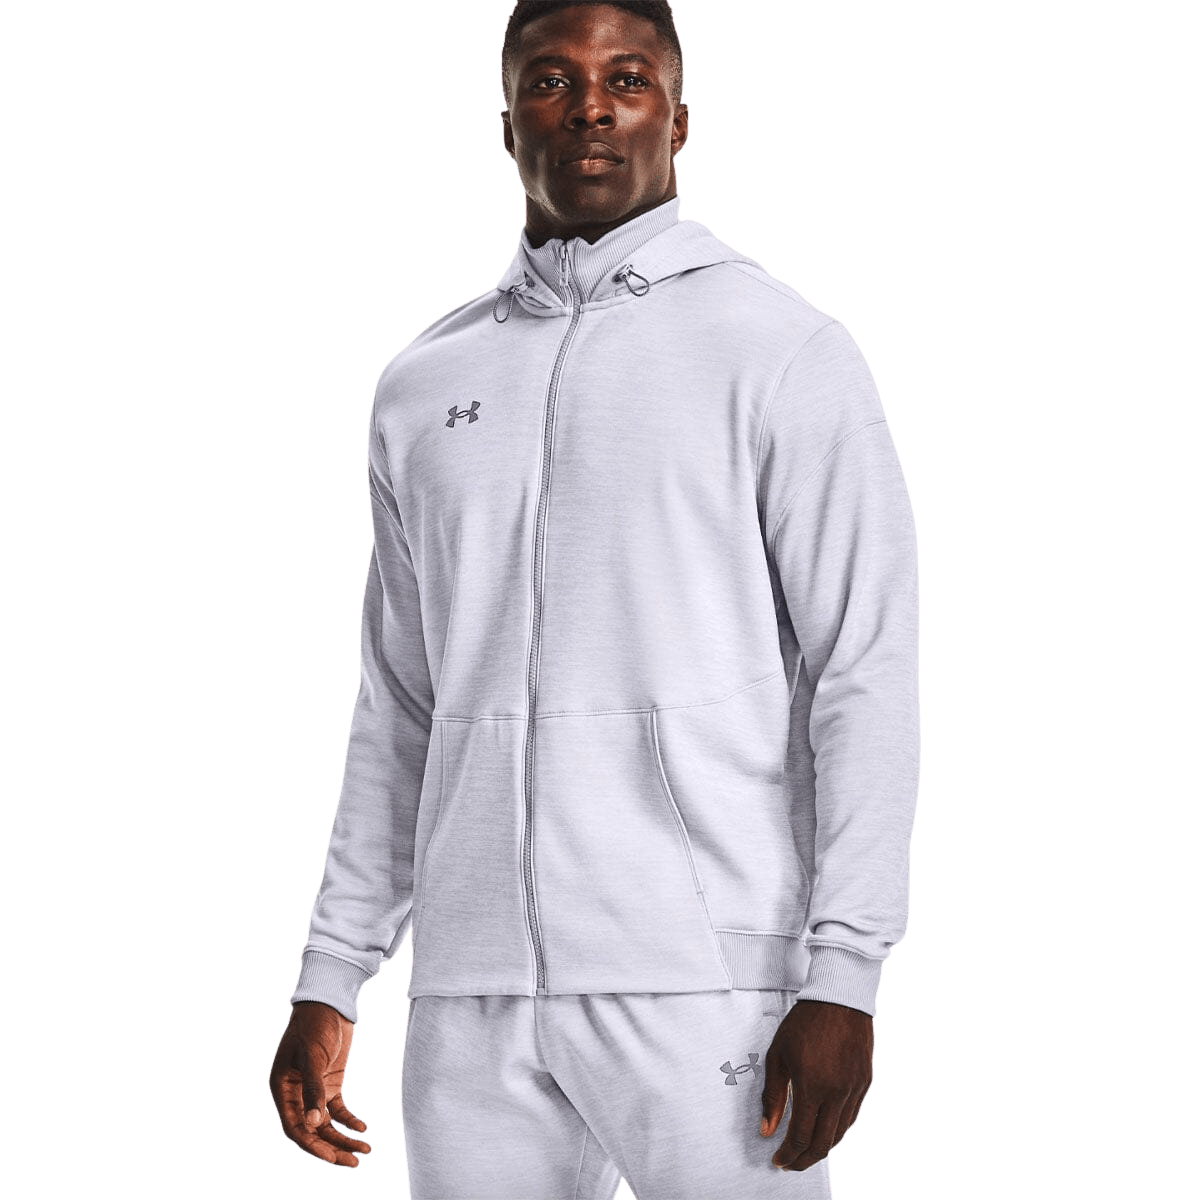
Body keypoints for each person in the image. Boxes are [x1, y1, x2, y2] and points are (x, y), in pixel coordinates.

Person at [268, 2, 920, 1196]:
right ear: (506, 122)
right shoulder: (421, 385)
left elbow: (863, 671)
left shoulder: (780, 349)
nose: (590, 109)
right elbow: (401, 704)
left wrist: (845, 974)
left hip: (706, 981)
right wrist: (333, 970)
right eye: (551, 81)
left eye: (626, 79)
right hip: (470, 998)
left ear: (679, 118)